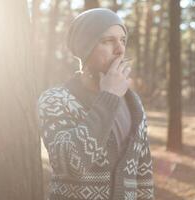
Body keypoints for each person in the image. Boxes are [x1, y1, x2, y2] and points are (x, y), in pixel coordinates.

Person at [37, 8, 154, 200]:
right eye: (108, 41)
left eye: (122, 40)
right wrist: (109, 97)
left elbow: (144, 178)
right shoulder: (55, 100)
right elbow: (70, 165)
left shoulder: (134, 104)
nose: (120, 49)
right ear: (86, 47)